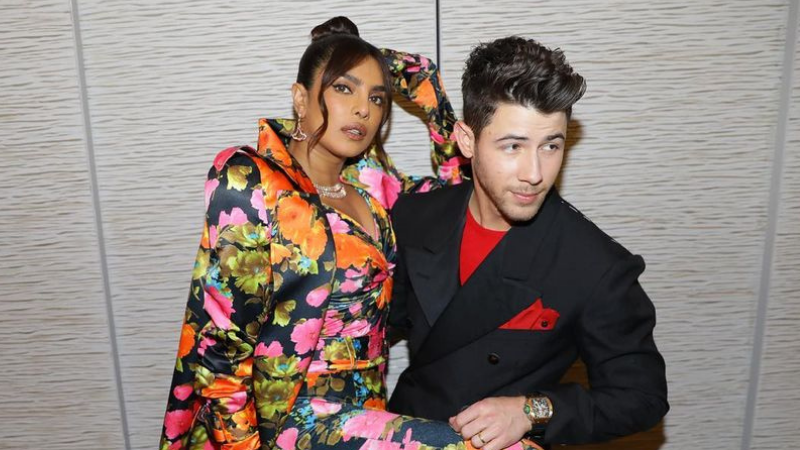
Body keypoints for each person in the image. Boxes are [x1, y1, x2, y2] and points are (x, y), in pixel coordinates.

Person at [159, 17, 539, 450]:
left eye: (376, 98)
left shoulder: (374, 195)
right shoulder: (251, 179)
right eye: (343, 88)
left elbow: (463, 189)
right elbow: (222, 352)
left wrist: (421, 81)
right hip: (288, 418)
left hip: (367, 411)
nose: (363, 109)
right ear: (300, 98)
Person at [387, 36, 669, 450]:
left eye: (551, 146)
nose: (535, 173)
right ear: (467, 140)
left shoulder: (594, 264)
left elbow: (641, 396)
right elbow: (375, 327)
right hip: (403, 432)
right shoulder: (415, 216)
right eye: (513, 146)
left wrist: (530, 411)